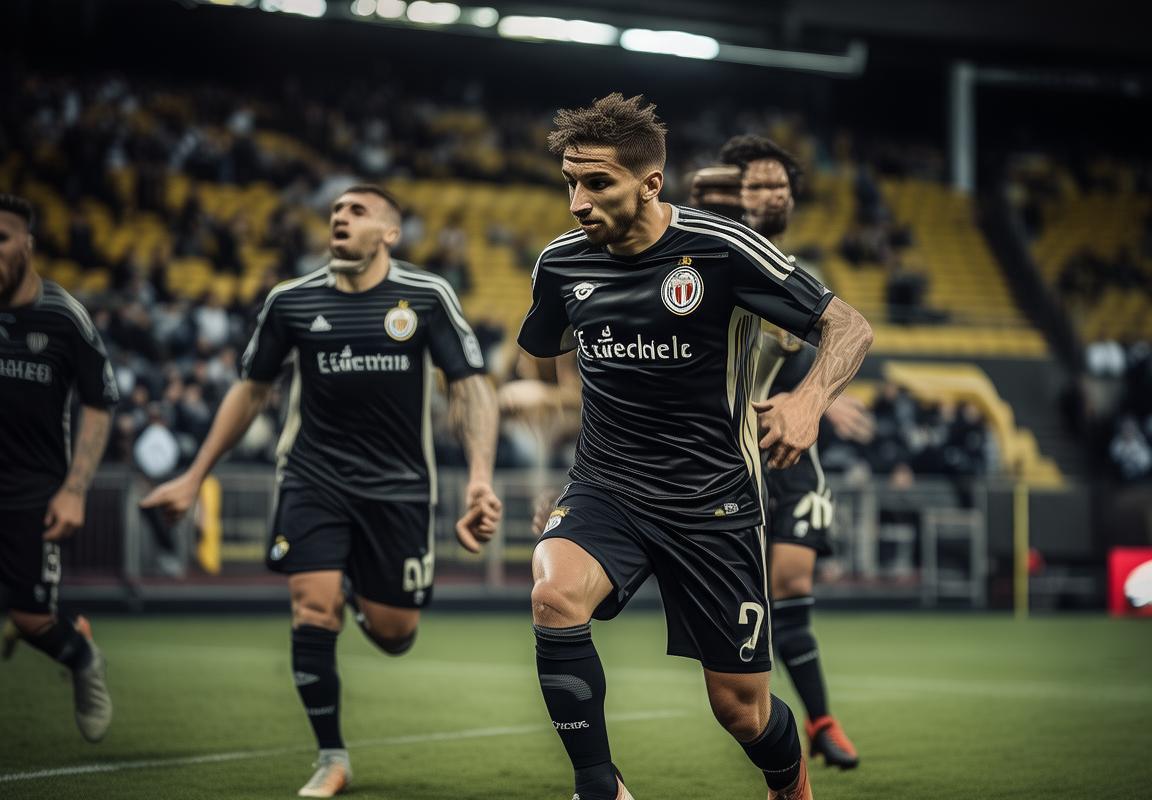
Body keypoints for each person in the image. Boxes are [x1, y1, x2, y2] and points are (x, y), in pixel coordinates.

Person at [519, 94, 873, 800]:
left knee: (741, 710)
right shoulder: (559, 264)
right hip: (607, 487)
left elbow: (849, 327)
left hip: (712, 502)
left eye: (597, 183)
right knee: (553, 595)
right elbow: (551, 351)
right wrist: (555, 464)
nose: (577, 203)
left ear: (650, 183)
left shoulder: (722, 250)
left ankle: (790, 783)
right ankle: (600, 787)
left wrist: (808, 402)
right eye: (570, 182)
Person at [140, 184, 502, 798]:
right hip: (313, 477)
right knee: (311, 607)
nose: (341, 218)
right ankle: (332, 757)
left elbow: (470, 388)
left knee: (395, 634)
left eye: (357, 211)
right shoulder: (290, 300)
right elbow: (251, 391)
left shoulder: (427, 296)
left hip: (399, 489)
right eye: (336, 211)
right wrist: (194, 475)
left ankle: (357, 589)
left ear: (389, 233)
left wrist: (480, 478)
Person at [712, 134, 872, 769]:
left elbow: (834, 344)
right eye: (757, 185)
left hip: (789, 453)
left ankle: (822, 721)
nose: (771, 195)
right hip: (726, 455)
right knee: (746, 600)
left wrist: (818, 399)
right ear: (731, 193)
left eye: (779, 185)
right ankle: (764, 723)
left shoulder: (795, 275)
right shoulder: (710, 262)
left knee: (793, 580)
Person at [0, 193, 117, 742]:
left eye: (1, 238)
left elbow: (99, 403)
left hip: (32, 490)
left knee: (31, 620)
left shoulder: (64, 316)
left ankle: (82, 656)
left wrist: (75, 489)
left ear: (27, 244)